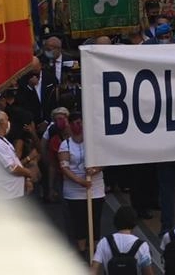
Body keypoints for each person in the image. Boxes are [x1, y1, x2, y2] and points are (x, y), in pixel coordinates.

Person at [59, 112, 105, 264]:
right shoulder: (65, 144)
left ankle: (96, 252)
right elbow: (64, 167)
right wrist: (79, 181)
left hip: (95, 188)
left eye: (81, 123)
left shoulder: (93, 143)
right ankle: (81, 251)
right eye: (75, 123)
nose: (78, 126)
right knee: (79, 221)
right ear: (70, 125)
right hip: (74, 191)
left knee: (95, 220)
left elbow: (103, 160)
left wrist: (95, 170)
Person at [0, 110, 39, 200]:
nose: (9, 123)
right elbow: (13, 168)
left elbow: (16, 162)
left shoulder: (3, 141)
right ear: (1, 123)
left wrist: (26, 179)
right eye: (7, 119)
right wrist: (29, 173)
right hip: (6, 195)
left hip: (14, 193)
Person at [90, 205, 154, 275]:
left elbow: (94, 269)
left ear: (116, 221)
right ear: (134, 222)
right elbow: (148, 272)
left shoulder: (104, 242)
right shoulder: (142, 246)